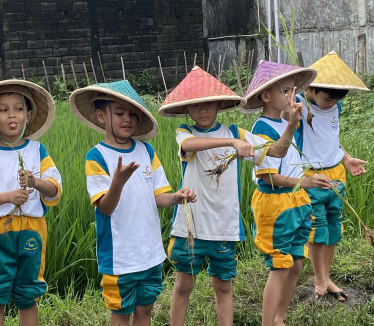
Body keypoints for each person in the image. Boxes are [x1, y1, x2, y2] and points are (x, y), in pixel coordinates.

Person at [158, 66, 303, 326]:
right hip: (190, 226)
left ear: (219, 105)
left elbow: (277, 152)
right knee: (184, 284)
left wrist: (291, 125)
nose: (203, 110)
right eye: (196, 105)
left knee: (223, 285)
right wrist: (231, 144)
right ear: (186, 109)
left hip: (224, 226)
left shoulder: (238, 133)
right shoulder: (186, 132)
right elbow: (188, 146)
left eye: (209, 104)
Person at [69, 80, 196, 326]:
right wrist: (118, 183)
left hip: (150, 252)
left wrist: (178, 197)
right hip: (120, 257)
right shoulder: (97, 157)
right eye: (119, 113)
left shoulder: (146, 151)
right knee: (121, 314)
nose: (127, 119)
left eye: (132, 114)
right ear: (101, 116)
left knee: (145, 310)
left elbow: (159, 197)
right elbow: (105, 208)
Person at [0, 79, 62, 326]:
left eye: (19, 109)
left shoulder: (38, 150)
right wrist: (9, 197)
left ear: (29, 115)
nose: (12, 115)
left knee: (29, 295)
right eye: (3, 109)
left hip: (33, 229)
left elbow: (54, 189)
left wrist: (35, 182)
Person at [243, 60, 330, 325]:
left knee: (296, 263)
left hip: (295, 201)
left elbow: (292, 161)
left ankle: (278, 318)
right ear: (266, 96)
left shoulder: (285, 123)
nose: (293, 96)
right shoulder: (261, 129)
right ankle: (267, 322)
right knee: (280, 265)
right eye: (286, 91)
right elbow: (268, 176)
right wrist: (305, 182)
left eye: (295, 90)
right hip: (275, 204)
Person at [295, 51, 369, 302]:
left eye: (336, 99)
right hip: (312, 175)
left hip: (336, 173)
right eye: (327, 98)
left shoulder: (335, 106)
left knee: (334, 226)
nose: (331, 104)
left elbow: (330, 138)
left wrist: (346, 158)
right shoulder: (299, 106)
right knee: (317, 229)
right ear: (311, 88)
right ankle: (319, 279)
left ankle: (326, 277)